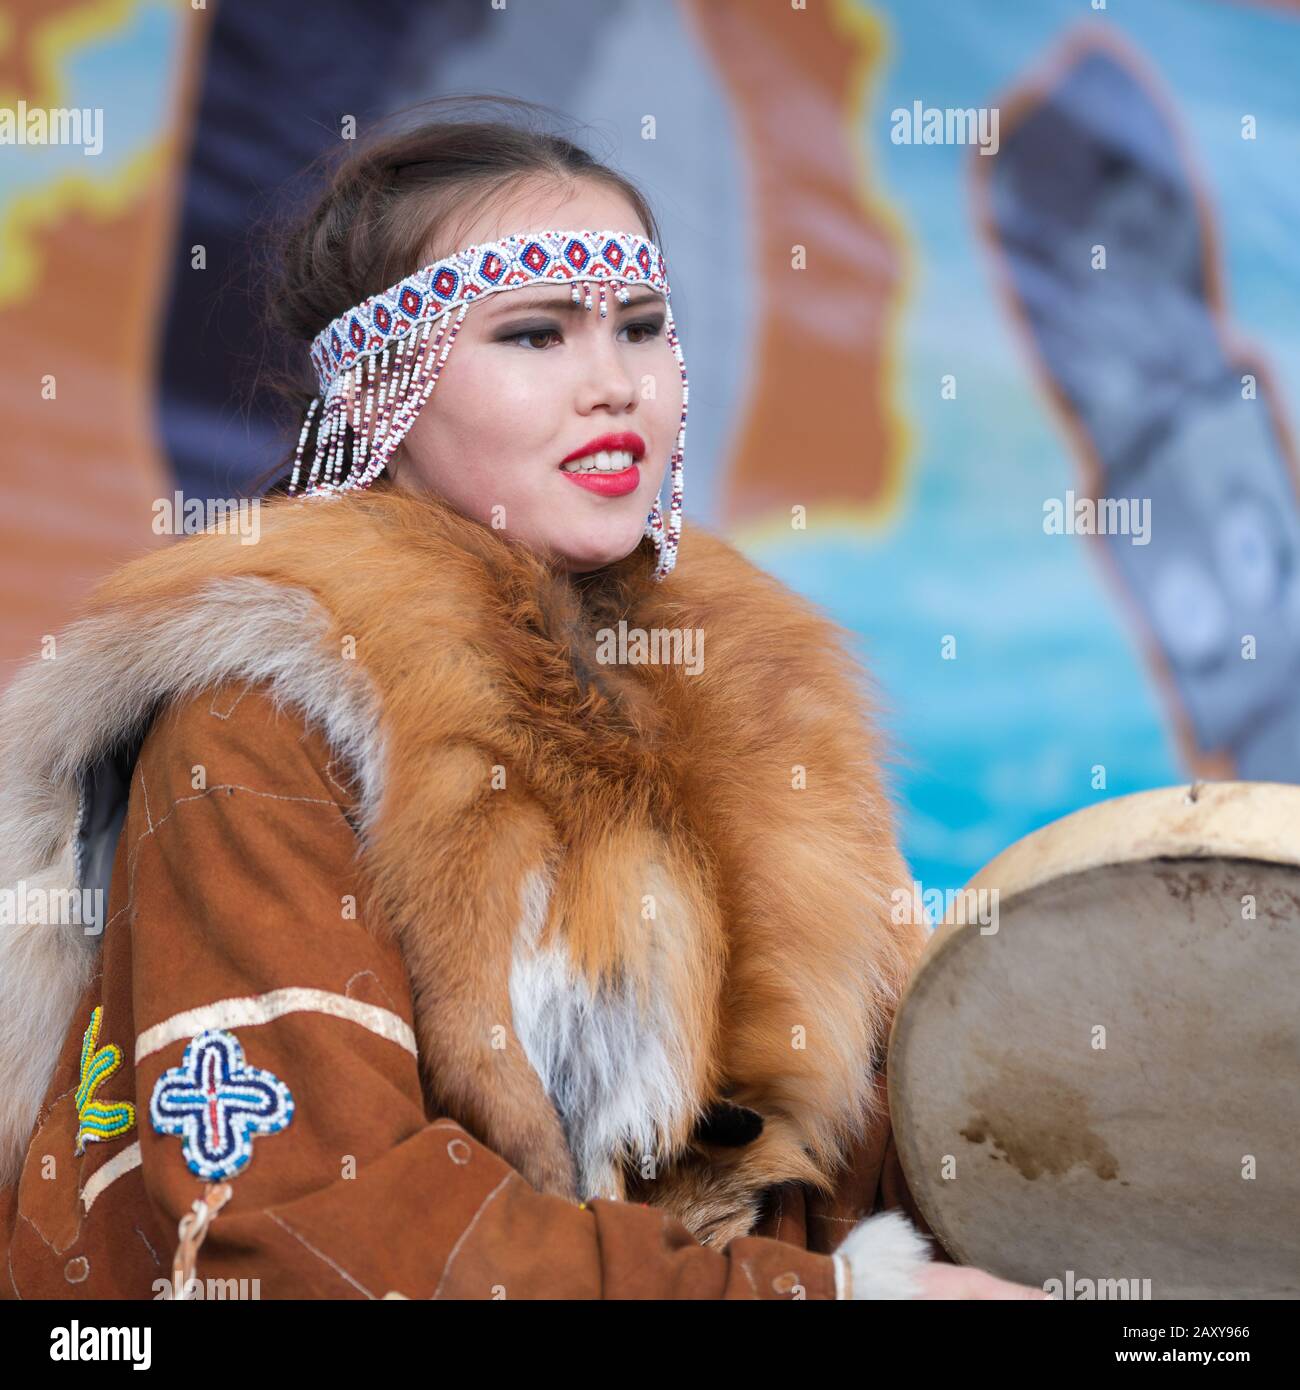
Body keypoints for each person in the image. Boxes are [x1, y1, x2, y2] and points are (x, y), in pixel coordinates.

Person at [0, 97, 1044, 1300]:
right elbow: (297, 1229)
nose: (616, 386)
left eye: (643, 328)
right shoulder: (259, 714)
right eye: (535, 335)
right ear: (380, 385)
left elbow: (868, 1175)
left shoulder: (760, 703)